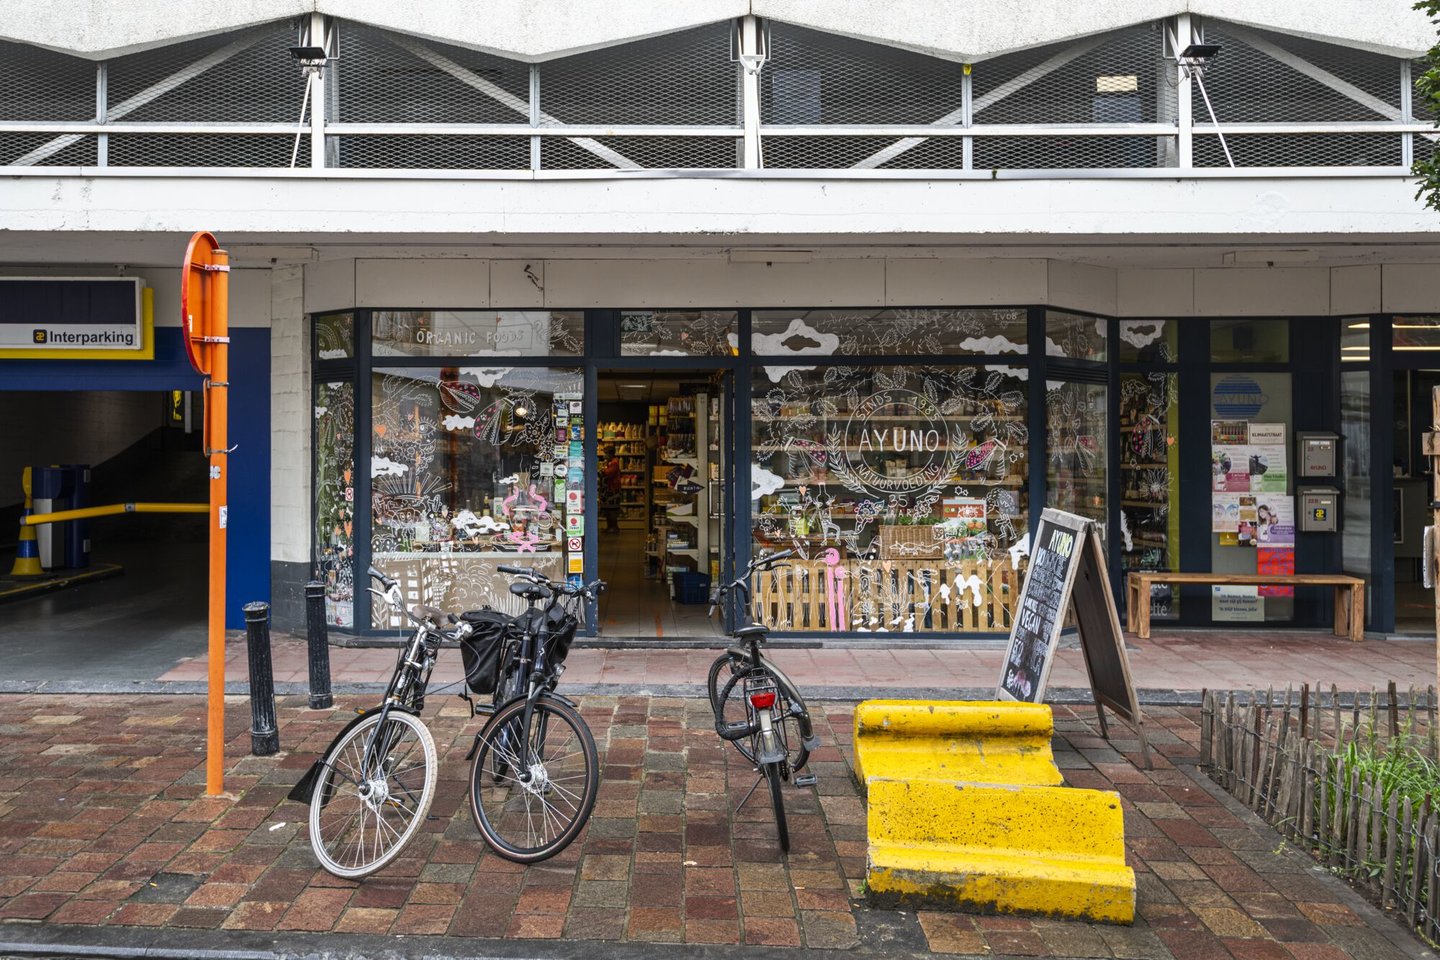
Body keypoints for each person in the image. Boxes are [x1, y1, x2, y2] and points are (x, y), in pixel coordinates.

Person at [600, 445, 623, 533]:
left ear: (610, 454)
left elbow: (609, 473)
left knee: (612, 510)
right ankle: (610, 527)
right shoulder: (610, 462)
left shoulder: (614, 463)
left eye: (605, 454)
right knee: (608, 510)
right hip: (610, 489)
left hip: (613, 490)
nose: (604, 455)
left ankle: (613, 527)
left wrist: (603, 470)